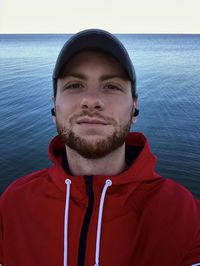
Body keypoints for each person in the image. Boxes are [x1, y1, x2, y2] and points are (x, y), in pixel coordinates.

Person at [0, 29, 200, 266]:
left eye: (111, 86)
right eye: (75, 85)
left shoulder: (184, 215)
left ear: (134, 107)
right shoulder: (13, 207)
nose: (92, 100)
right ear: (54, 106)